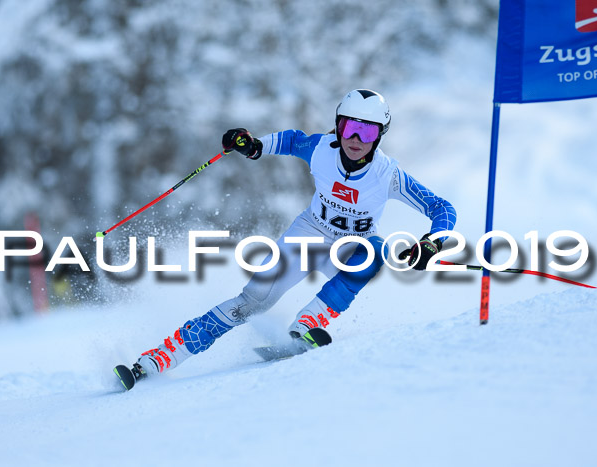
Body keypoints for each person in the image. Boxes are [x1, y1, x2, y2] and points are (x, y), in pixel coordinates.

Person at [130, 89, 456, 378]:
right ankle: (164, 355)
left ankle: (308, 324)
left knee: (374, 252)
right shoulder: (321, 148)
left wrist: (432, 242)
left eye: (366, 131)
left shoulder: (388, 175)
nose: (355, 139)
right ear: (338, 126)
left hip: (351, 246)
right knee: (251, 302)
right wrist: (255, 146)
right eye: (348, 127)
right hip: (309, 234)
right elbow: (291, 140)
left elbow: (441, 208)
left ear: (379, 136)